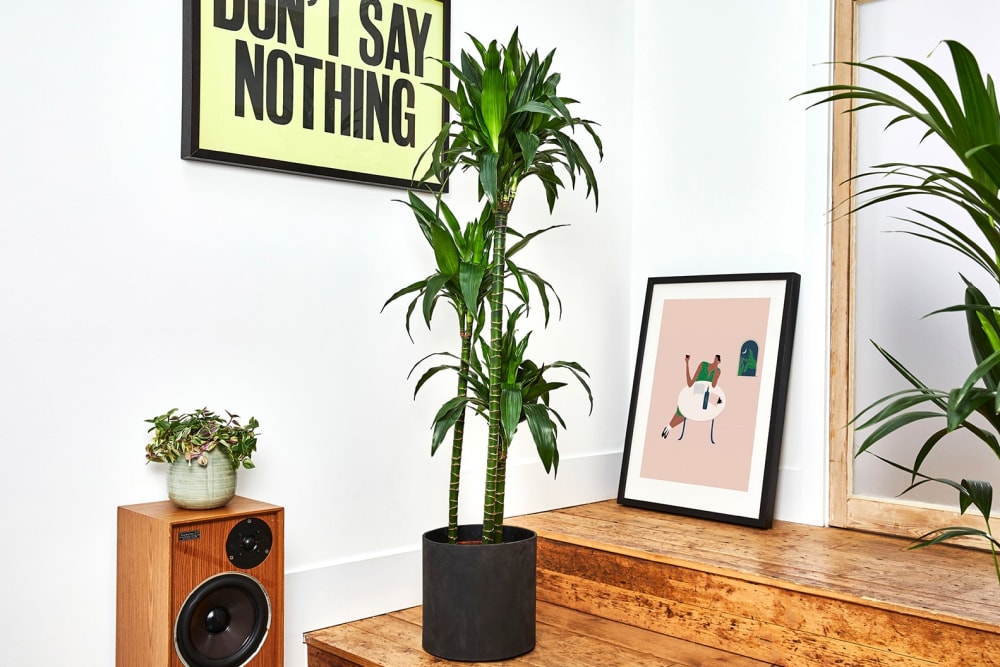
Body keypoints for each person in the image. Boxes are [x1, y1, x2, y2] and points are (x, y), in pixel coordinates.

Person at [661, 354, 722, 439]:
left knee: (685, 414)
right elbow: (690, 383)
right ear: (714, 358)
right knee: (681, 412)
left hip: (703, 396)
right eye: (715, 359)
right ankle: (668, 428)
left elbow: (714, 385)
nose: (716, 362)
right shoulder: (703, 364)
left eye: (717, 361)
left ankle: (668, 428)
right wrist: (687, 364)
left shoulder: (718, 371)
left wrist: (716, 372)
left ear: (719, 362)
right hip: (693, 392)